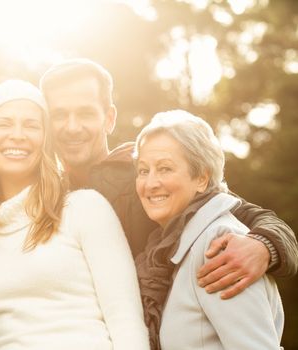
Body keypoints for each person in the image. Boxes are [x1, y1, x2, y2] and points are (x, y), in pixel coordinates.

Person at [39, 58, 298, 299]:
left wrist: (264, 246)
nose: (72, 127)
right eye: (59, 115)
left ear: (109, 119)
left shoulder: (151, 175)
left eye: (85, 113)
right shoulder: (39, 195)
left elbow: (254, 217)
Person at [0, 80, 149, 350]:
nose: (17, 134)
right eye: (4, 123)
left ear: (45, 140)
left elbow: (125, 319)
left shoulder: (84, 208)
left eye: (31, 125)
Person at [134, 110, 283, 349]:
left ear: (202, 178)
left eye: (164, 169)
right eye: (143, 170)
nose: (150, 183)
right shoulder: (176, 245)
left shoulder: (218, 244)